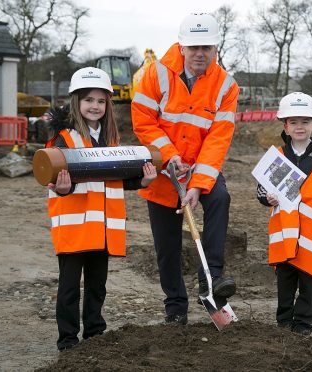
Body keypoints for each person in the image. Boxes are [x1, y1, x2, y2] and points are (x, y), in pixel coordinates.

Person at [131, 13, 239, 325]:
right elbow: (142, 119)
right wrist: (168, 155)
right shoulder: (156, 74)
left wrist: (197, 184)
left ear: (215, 49)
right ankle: (175, 309)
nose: (199, 53)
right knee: (167, 247)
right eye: (193, 47)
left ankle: (212, 278)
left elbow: (218, 138)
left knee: (219, 197)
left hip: (199, 167)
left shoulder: (226, 86)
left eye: (206, 47)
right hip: (163, 170)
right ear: (182, 47)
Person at [46, 66, 157, 351]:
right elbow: (55, 179)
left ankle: (94, 335)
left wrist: (142, 181)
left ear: (108, 104)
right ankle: (68, 341)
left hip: (102, 228)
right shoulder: (64, 138)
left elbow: (114, 181)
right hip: (74, 228)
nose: (94, 106)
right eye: (88, 100)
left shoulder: (111, 141)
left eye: (100, 101)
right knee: (70, 288)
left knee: (97, 285)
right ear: (76, 102)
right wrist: (62, 187)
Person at [256, 92, 312, 336]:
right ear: (285, 125)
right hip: (284, 234)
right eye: (293, 122)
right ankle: (284, 324)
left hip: (311, 236)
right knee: (284, 281)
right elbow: (262, 190)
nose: (299, 127)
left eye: (305, 122)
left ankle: (303, 325)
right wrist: (267, 197)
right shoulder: (278, 156)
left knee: (308, 282)